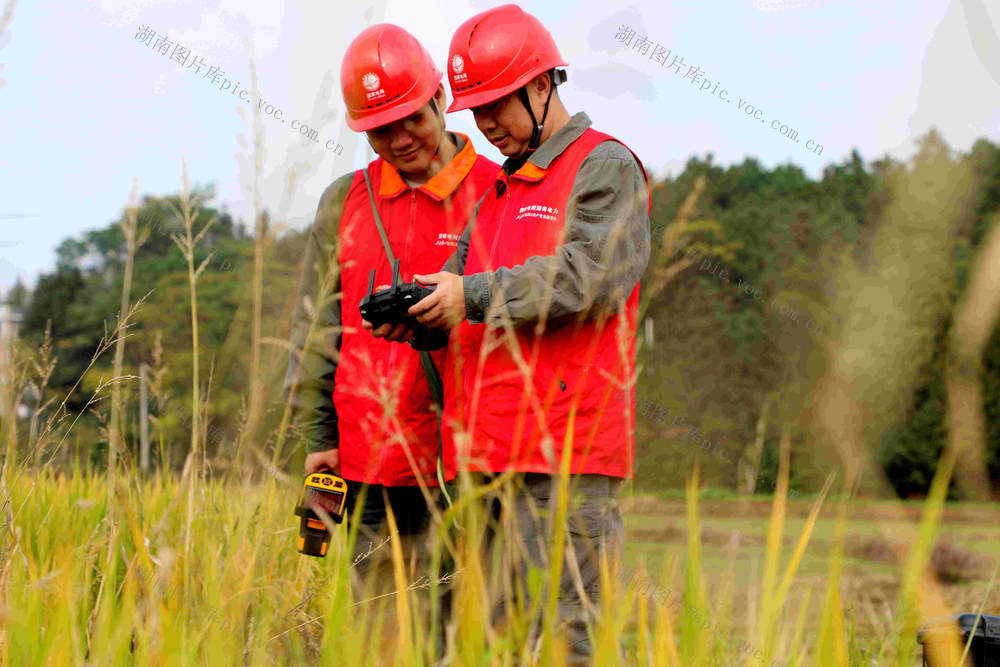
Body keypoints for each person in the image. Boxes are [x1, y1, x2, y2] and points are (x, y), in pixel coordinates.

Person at [404, 4, 652, 663]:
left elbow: (588, 275)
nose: (486, 124)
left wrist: (469, 294)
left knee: (572, 640)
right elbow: (463, 291)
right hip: (485, 457)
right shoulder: (499, 191)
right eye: (475, 110)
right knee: (489, 642)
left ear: (542, 84)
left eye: (497, 105)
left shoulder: (605, 167)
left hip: (564, 454)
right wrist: (420, 313)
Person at [283, 22, 498, 656]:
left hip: (465, 465)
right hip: (366, 463)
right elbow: (315, 329)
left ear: (440, 99)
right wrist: (319, 438)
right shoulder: (343, 202)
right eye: (380, 130)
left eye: (411, 119)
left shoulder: (499, 192)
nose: (400, 140)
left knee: (462, 634)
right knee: (376, 637)